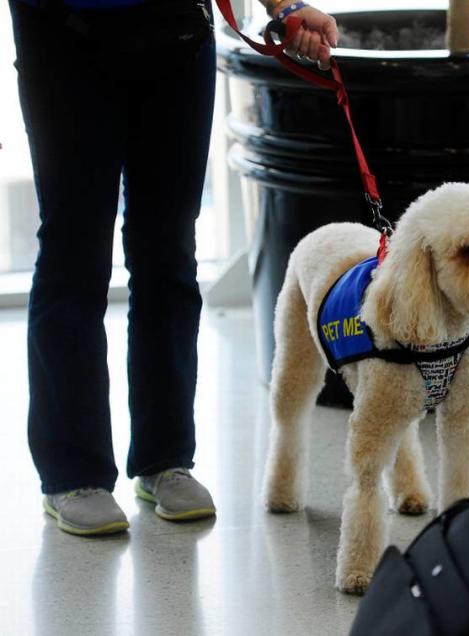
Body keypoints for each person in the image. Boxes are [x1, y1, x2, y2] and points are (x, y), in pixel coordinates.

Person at [8, 0, 338, 536]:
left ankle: (164, 461)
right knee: (74, 252)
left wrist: (286, 6)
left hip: (176, 34)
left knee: (168, 252)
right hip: (63, 35)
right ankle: (72, 473)